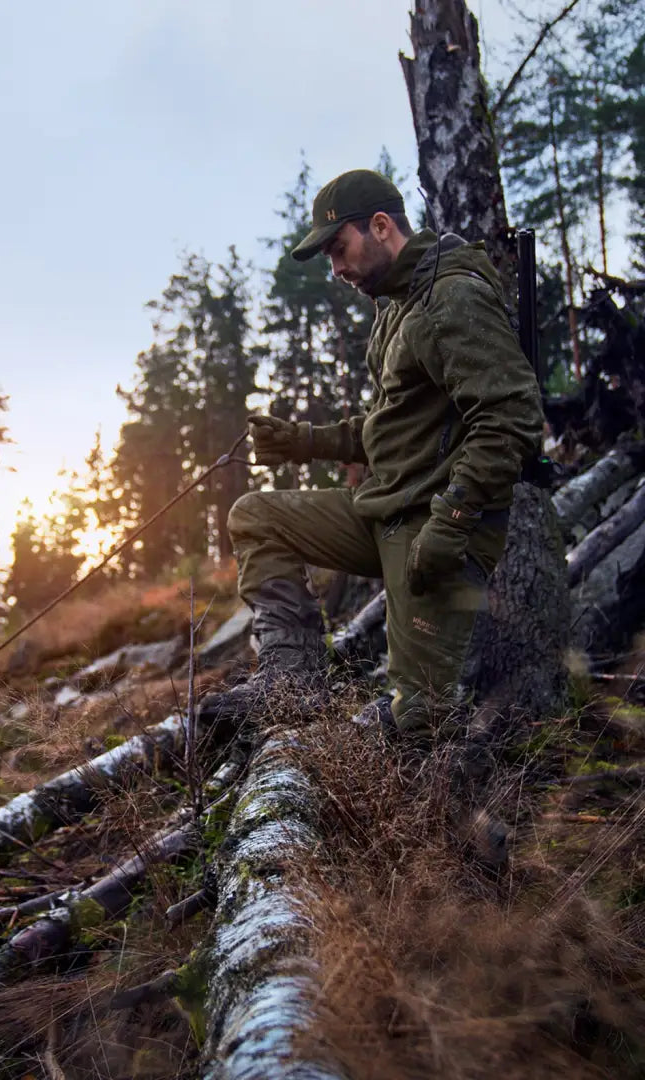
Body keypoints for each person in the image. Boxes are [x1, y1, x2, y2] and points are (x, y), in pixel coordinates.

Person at [207, 169, 544, 740]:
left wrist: (451, 524)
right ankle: (292, 682)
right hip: (386, 511)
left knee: (422, 721)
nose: (336, 271)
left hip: (434, 530)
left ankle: (468, 813)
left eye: (339, 250)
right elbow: (393, 427)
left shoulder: (451, 297)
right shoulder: (397, 306)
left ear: (381, 226)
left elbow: (511, 418)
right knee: (255, 516)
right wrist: (301, 441)